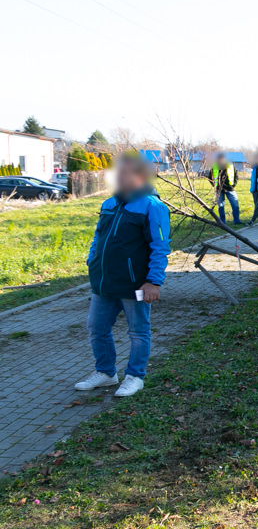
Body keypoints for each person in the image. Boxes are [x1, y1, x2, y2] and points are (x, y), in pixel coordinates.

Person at [74, 151, 171, 397]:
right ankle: (106, 373)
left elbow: (160, 247)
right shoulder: (109, 203)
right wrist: (92, 260)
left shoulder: (153, 206)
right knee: (96, 328)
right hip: (104, 283)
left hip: (136, 285)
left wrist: (154, 282)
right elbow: (98, 236)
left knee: (138, 331)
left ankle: (135, 376)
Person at [209, 153, 242, 224]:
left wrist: (233, 185)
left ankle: (236, 220)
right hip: (219, 190)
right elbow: (210, 177)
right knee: (221, 206)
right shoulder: (214, 166)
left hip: (230, 189)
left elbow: (236, 175)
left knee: (235, 205)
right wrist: (214, 185)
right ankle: (222, 221)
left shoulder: (230, 165)